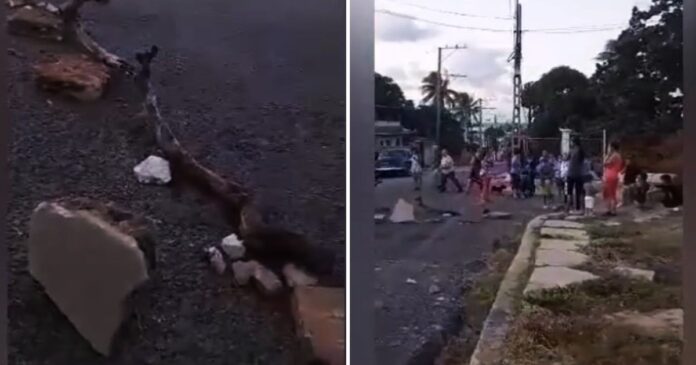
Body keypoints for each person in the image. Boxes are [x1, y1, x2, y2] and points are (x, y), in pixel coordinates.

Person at [602, 141, 624, 216]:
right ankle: (610, 209)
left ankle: (612, 210)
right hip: (612, 175)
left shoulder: (614, 155)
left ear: (612, 147)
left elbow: (605, 163)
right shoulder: (618, 155)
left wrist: (607, 155)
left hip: (611, 175)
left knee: (610, 193)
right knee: (610, 193)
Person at [566, 137, 586, 213]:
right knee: (578, 191)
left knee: (569, 191)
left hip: (571, 173)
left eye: (571, 141)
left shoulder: (571, 150)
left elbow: (566, 158)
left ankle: (568, 206)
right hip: (578, 173)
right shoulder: (581, 151)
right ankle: (578, 207)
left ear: (573, 142)